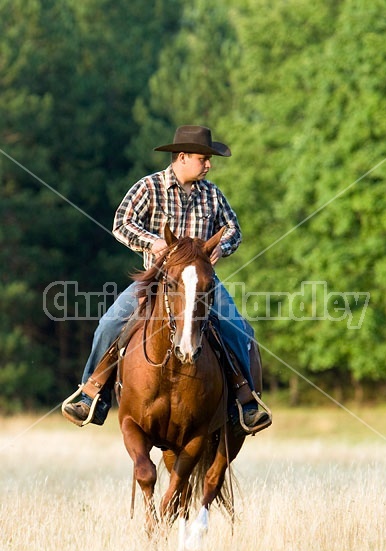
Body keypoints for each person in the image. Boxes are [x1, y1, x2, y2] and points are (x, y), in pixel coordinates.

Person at [63, 125, 272, 434]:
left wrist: (221, 249)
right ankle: (92, 393)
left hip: (199, 284)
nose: (209, 165)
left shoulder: (212, 194)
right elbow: (121, 223)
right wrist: (153, 242)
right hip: (157, 281)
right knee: (110, 323)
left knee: (238, 328)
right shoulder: (149, 187)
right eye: (204, 158)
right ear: (183, 157)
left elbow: (233, 230)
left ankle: (245, 401)